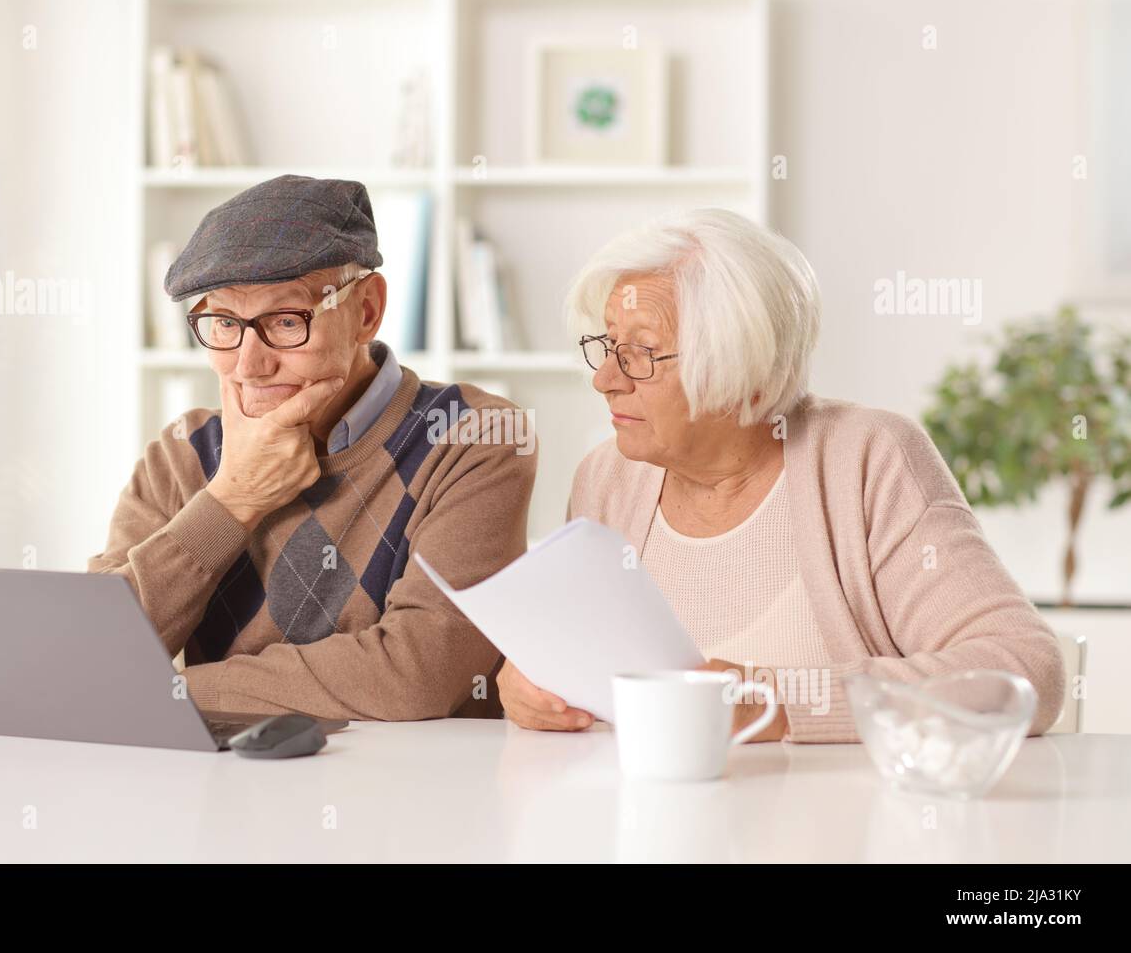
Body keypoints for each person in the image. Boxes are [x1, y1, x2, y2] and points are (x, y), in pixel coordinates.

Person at [497, 208, 1064, 743]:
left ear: (751, 378)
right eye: (608, 345)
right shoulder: (606, 478)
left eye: (642, 351)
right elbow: (582, 669)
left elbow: (1022, 670)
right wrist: (529, 685)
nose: (605, 380)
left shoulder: (867, 459)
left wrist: (776, 702)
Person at [90, 175, 536, 720]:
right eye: (224, 323)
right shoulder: (184, 453)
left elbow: (418, 673)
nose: (249, 365)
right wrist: (231, 502)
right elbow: (97, 655)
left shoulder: (473, 437)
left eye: (284, 321)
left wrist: (172, 690)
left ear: (367, 311)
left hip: (417, 789)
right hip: (228, 789)